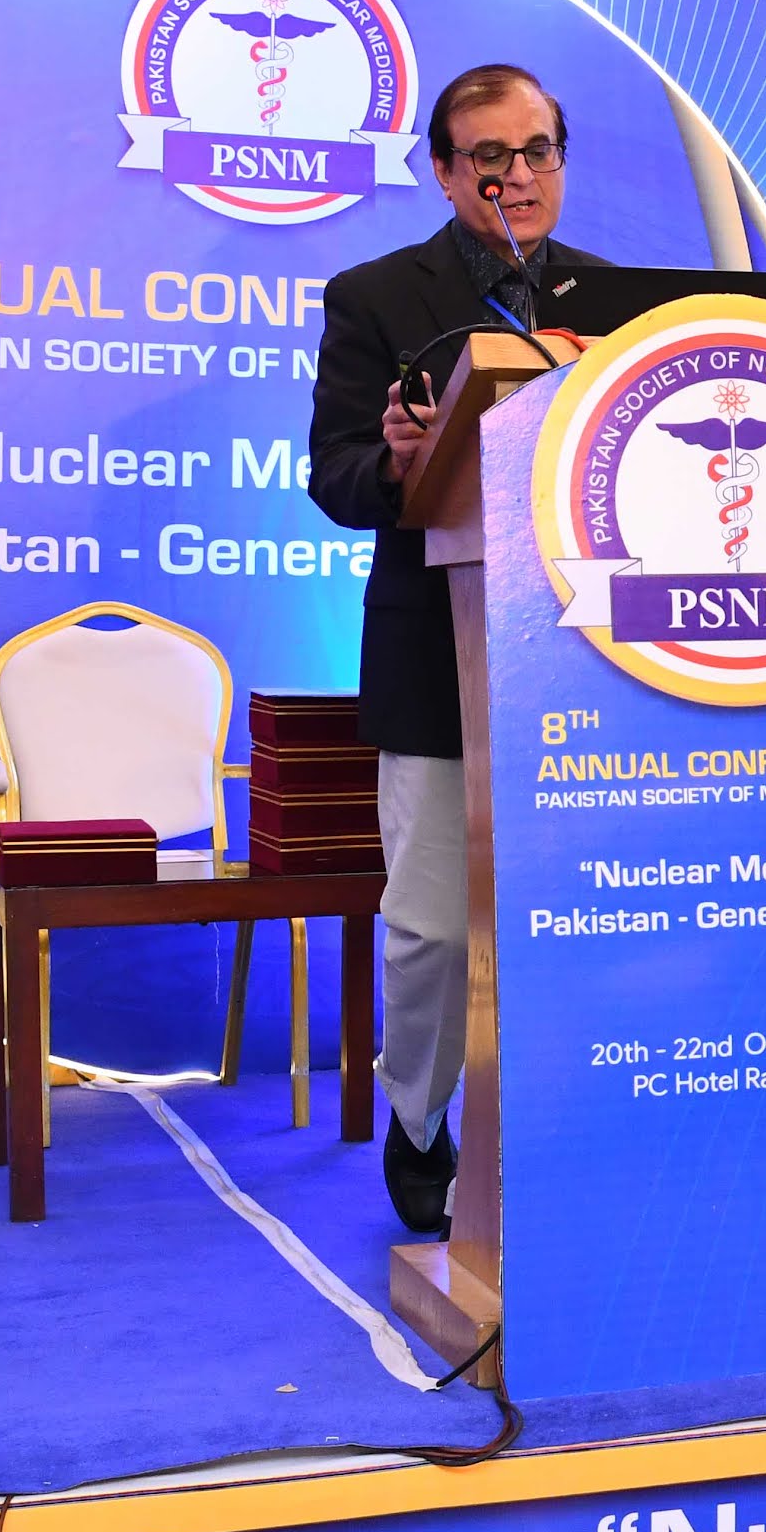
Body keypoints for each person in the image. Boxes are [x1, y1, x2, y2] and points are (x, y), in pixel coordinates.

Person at [306, 64, 632, 1231]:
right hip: (438, 659)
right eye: (489, 156)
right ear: (443, 173)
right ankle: (420, 1116)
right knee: (436, 927)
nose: (517, 175)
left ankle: (571, 1117)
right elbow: (335, 476)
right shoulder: (376, 296)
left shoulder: (623, 301)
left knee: (586, 916)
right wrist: (398, 457)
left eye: (537, 150)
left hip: (602, 662)